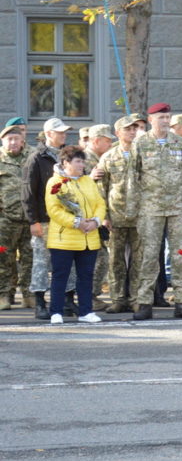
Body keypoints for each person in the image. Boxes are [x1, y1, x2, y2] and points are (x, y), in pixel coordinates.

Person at [126, 103, 182, 321]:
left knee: (179, 256)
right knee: (148, 256)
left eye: (168, 117)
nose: (166, 121)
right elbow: (133, 177)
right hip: (150, 209)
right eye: (161, 118)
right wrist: (133, 209)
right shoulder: (140, 143)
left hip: (177, 208)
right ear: (151, 120)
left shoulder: (179, 143)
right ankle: (145, 303)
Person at [44, 145, 107, 325]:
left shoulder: (87, 181)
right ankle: (56, 311)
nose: (82, 165)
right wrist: (76, 222)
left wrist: (95, 220)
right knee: (60, 276)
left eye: (82, 161)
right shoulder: (55, 182)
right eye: (78, 161)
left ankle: (86, 311)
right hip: (64, 239)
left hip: (88, 237)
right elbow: (54, 209)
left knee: (86, 276)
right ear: (66, 162)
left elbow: (100, 203)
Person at [24, 116, 75, 320]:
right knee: (41, 262)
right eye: (60, 132)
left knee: (67, 261)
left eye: (64, 131)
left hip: (67, 219)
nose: (64, 135)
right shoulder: (37, 157)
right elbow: (28, 191)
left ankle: (68, 301)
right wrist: (33, 221)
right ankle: (39, 302)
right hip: (44, 219)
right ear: (48, 134)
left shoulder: (69, 155)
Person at [95, 114, 143, 314]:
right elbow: (101, 188)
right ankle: (117, 299)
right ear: (117, 133)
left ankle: (135, 299)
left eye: (134, 129)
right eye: (127, 129)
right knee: (116, 260)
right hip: (116, 216)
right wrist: (104, 215)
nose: (132, 132)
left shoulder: (143, 153)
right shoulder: (109, 156)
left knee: (138, 260)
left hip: (139, 215)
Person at [83, 124, 115, 312]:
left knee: (101, 258)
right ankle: (89, 296)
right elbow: (69, 184)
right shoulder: (84, 159)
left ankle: (91, 295)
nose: (110, 143)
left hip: (100, 216)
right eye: (107, 140)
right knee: (98, 259)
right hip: (88, 219)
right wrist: (90, 177)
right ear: (96, 141)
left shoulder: (102, 158)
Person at [0, 124, 32, 310]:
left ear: (22, 140)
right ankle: (4, 294)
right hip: (5, 218)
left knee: (30, 258)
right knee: (4, 258)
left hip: (30, 218)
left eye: (16, 139)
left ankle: (28, 294)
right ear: (3, 141)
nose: (13, 143)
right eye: (9, 139)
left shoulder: (33, 156)